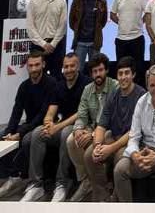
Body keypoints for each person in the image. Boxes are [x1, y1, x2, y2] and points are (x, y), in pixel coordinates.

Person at [21, 53, 91, 202]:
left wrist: (57, 127)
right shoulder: (59, 85)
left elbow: (81, 113)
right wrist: (48, 124)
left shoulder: (86, 83)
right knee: (38, 133)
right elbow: (51, 110)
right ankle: (36, 185)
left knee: (66, 133)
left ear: (78, 66)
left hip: (82, 126)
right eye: (66, 66)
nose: (69, 69)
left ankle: (62, 183)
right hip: (62, 125)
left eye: (72, 66)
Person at [114, 64, 155, 203]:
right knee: (120, 170)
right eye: (152, 85)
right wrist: (135, 155)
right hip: (145, 150)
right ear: (147, 86)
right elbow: (134, 136)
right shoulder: (141, 102)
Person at [84, 56, 146, 201]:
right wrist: (98, 146)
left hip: (134, 142)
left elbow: (134, 132)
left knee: (120, 156)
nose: (123, 77)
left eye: (127, 73)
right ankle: (102, 196)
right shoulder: (113, 94)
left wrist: (110, 148)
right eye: (120, 74)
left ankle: (117, 199)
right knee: (90, 155)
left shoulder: (141, 96)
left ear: (133, 75)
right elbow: (101, 125)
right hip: (114, 137)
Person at [0, 52, 57, 199]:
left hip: (45, 124)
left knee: (26, 139)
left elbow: (43, 115)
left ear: (43, 64)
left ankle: (30, 181)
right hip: (29, 123)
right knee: (2, 135)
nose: (34, 69)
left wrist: (20, 133)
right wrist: (9, 132)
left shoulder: (51, 84)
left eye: (37, 65)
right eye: (31, 65)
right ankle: (11, 176)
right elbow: (16, 111)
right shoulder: (24, 86)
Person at [66, 53, 118, 201]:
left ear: (106, 70)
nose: (98, 74)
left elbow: (114, 119)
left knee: (93, 148)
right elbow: (82, 114)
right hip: (92, 128)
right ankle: (86, 180)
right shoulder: (87, 89)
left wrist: (94, 134)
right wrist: (78, 129)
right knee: (71, 140)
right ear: (91, 74)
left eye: (100, 70)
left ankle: (101, 186)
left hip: (110, 130)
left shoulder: (115, 86)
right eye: (95, 71)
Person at [110, 0, 148, 86]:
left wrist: (139, 23)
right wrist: (122, 23)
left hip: (137, 38)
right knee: (122, 70)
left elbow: (148, 14)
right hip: (121, 40)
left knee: (139, 70)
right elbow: (112, 14)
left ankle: (139, 93)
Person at [27, 0, 67, 79]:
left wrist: (52, 44)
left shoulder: (62, 2)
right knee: (36, 77)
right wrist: (44, 44)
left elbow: (62, 26)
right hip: (37, 47)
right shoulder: (33, 2)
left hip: (56, 47)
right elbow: (30, 27)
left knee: (57, 78)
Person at [69, 0, 108, 74]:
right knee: (77, 71)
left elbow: (103, 21)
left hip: (95, 43)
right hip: (80, 42)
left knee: (96, 71)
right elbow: (72, 21)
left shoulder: (102, 1)